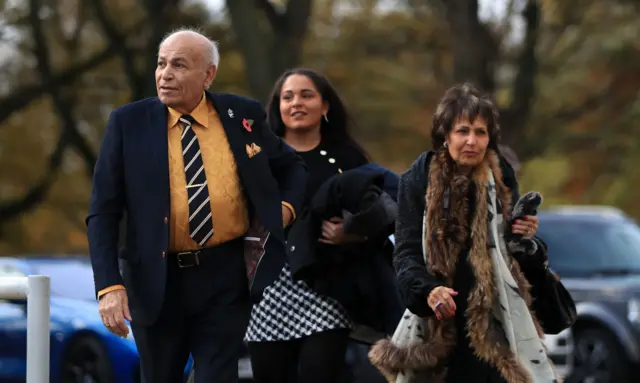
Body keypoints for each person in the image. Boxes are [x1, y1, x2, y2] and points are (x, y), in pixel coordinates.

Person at [86, 28, 307, 383]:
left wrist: (284, 210)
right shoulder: (127, 124)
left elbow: (293, 167)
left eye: (179, 65)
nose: (165, 74)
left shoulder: (242, 115)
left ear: (208, 74)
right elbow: (102, 213)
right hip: (154, 279)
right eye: (161, 64)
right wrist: (109, 286)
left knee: (217, 377)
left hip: (225, 275)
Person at [369, 83, 575, 382]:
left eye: (481, 132)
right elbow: (406, 252)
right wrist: (428, 290)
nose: (472, 141)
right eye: (462, 131)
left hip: (498, 312)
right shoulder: (418, 177)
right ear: (445, 135)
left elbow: (511, 249)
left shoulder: (500, 173)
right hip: (441, 316)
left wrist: (524, 235)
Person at [244, 68, 401, 383]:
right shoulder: (257, 155)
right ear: (277, 107)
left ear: (325, 106)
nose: (296, 103)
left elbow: (384, 207)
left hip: (327, 283)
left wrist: (352, 231)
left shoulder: (347, 158)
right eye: (287, 97)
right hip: (267, 285)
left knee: (320, 373)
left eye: (306, 95)